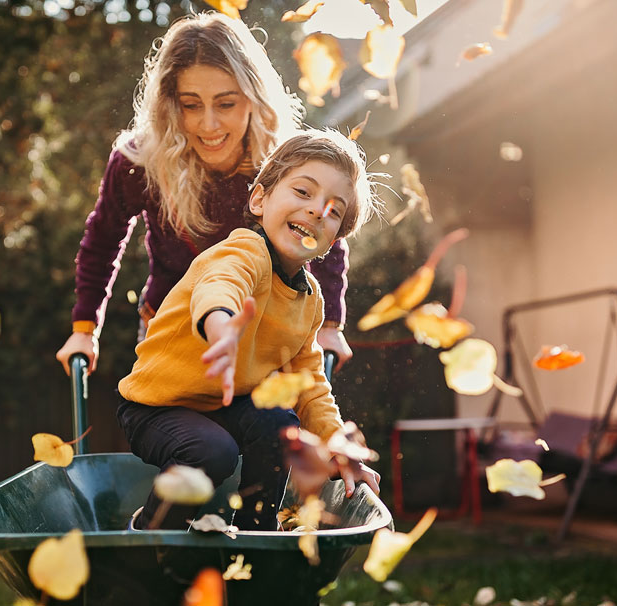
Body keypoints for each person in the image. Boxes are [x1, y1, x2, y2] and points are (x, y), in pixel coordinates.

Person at [55, 12, 355, 377]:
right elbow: (102, 241)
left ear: (253, 98)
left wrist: (330, 326)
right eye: (191, 105)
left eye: (226, 103)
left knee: (267, 433)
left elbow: (320, 230)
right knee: (181, 435)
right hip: (170, 330)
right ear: (170, 104)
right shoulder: (141, 163)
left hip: (263, 332)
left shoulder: (283, 164)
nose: (209, 124)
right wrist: (84, 328)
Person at [116, 130, 382, 531]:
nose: (315, 211)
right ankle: (153, 529)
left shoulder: (309, 301)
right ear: (259, 200)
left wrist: (338, 446)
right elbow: (221, 284)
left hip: (224, 405)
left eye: (332, 211)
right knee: (212, 451)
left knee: (280, 426)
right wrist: (221, 327)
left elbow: (309, 384)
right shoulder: (244, 251)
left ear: (332, 241)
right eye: (303, 192)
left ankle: (257, 533)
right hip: (157, 406)